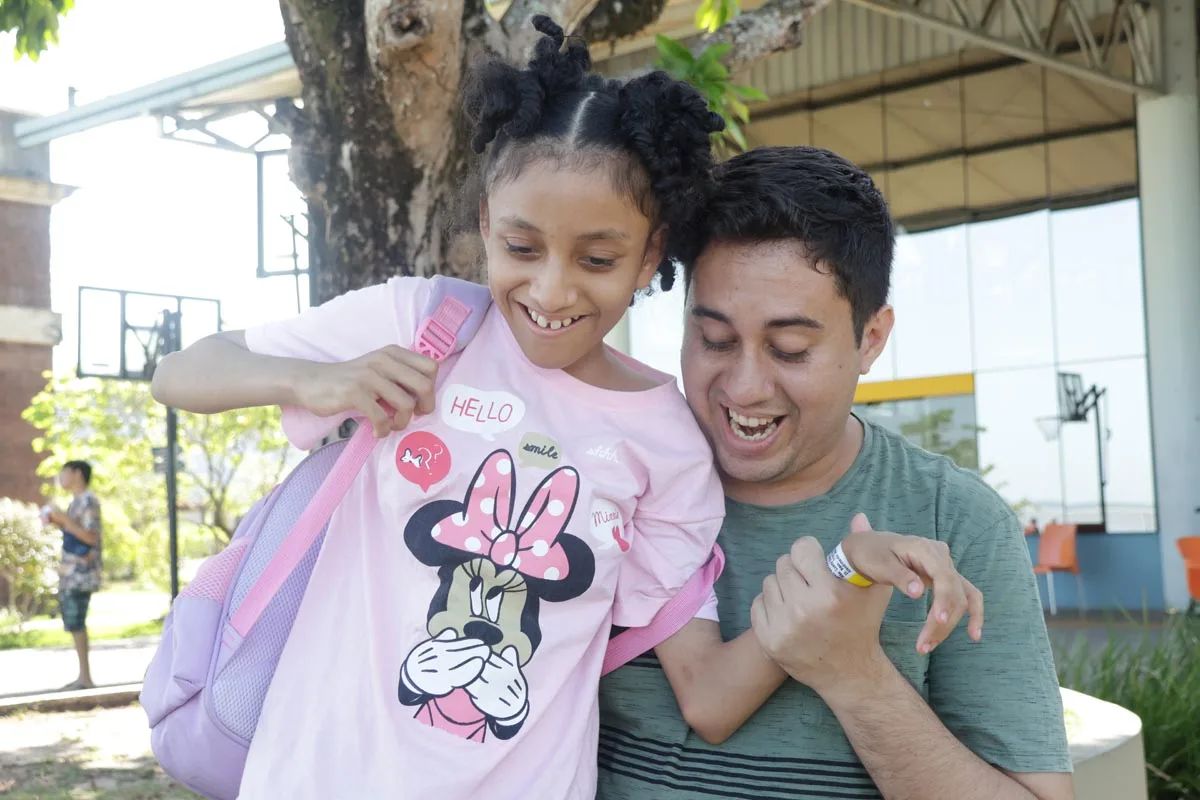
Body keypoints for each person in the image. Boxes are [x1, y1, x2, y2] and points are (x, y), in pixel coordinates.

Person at [151, 20, 978, 800]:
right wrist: (314, 382)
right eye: (520, 248)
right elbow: (184, 373)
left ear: (652, 254)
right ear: (484, 225)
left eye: (597, 257)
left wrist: (847, 566)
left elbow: (711, 699)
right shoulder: (420, 325)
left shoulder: (669, 445)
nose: (551, 290)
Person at [596, 146, 1074, 800]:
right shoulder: (610, 473)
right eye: (714, 339)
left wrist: (855, 675)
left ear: (871, 339)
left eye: (790, 349)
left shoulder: (954, 519)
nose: (743, 385)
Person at [45, 459, 102, 691]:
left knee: (77, 622)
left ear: (78, 473)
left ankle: (85, 678)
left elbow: (90, 537)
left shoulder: (88, 501)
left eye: (64, 472)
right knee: (73, 623)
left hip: (82, 573)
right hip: (71, 572)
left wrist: (64, 521)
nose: (61, 477)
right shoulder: (75, 502)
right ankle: (83, 676)